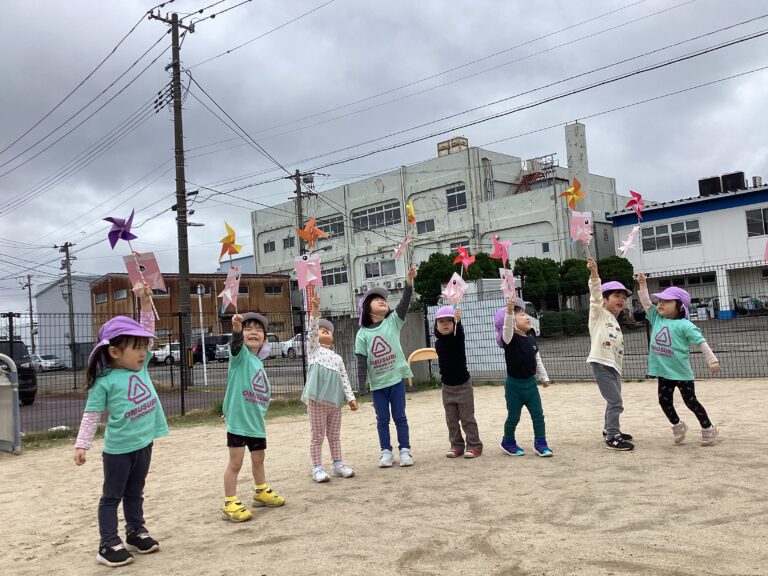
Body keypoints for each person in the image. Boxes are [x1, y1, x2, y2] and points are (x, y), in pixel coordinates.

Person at [74, 282, 168, 567]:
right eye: (136, 348)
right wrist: (82, 444)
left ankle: (135, 532)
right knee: (111, 496)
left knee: (135, 492)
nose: (143, 352)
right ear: (114, 352)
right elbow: (91, 415)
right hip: (118, 451)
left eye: (143, 347)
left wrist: (144, 300)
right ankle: (107, 544)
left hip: (144, 443)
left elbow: (147, 326)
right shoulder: (104, 382)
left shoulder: (141, 366)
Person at [636, 273, 720, 446]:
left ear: (680, 306)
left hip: (682, 374)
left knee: (691, 402)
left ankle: (708, 427)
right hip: (663, 373)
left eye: (667, 301)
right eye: (660, 300)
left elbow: (701, 342)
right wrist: (643, 285)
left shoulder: (685, 325)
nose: (660, 303)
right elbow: (646, 303)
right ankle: (677, 425)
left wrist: (712, 360)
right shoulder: (656, 318)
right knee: (664, 401)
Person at [221, 312, 285, 522]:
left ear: (265, 339)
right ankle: (230, 502)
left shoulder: (258, 363)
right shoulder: (240, 357)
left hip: (255, 422)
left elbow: (260, 392)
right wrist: (236, 329)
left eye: (259, 329)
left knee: (259, 459)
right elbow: (235, 344)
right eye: (248, 329)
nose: (253, 332)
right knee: (235, 463)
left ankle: (261, 491)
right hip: (239, 423)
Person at [355, 265, 417, 468]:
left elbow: (405, 302)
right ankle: (386, 452)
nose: (382, 300)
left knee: (400, 417)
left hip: (396, 380)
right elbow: (361, 362)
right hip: (377, 385)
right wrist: (361, 386)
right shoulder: (362, 334)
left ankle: (405, 450)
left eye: (383, 299)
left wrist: (409, 282)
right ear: (366, 308)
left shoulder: (393, 321)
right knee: (382, 420)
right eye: (376, 299)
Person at [302, 292, 359, 483]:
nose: (324, 330)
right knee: (317, 436)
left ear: (333, 341)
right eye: (321, 329)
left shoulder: (337, 358)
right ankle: (317, 467)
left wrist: (350, 398)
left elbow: (344, 378)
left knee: (334, 435)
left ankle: (338, 464)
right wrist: (315, 309)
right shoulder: (314, 350)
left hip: (334, 402)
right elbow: (312, 330)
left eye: (328, 330)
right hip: (316, 401)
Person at [586, 257, 635, 451]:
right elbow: (595, 294)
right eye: (616, 295)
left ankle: (609, 429)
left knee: (613, 400)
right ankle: (613, 437)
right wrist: (594, 273)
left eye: (624, 297)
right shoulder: (598, 313)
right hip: (601, 363)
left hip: (613, 366)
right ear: (604, 299)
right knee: (616, 401)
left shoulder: (614, 318)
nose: (621, 299)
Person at [495, 297, 553, 457]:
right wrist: (509, 311)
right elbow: (507, 327)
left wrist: (544, 377)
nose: (527, 317)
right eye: (521, 314)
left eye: (525, 314)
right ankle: (508, 441)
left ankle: (541, 443)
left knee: (538, 415)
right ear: (512, 322)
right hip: (514, 387)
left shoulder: (531, 339)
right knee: (513, 417)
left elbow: (537, 359)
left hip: (531, 385)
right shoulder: (509, 339)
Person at [433, 305, 483, 458]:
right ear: (436, 326)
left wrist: (458, 321)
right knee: (451, 420)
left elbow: (459, 333)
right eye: (441, 321)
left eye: (449, 321)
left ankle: (474, 445)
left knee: (467, 419)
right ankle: (456, 445)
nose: (445, 324)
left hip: (463, 386)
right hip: (447, 388)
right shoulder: (438, 343)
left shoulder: (457, 339)